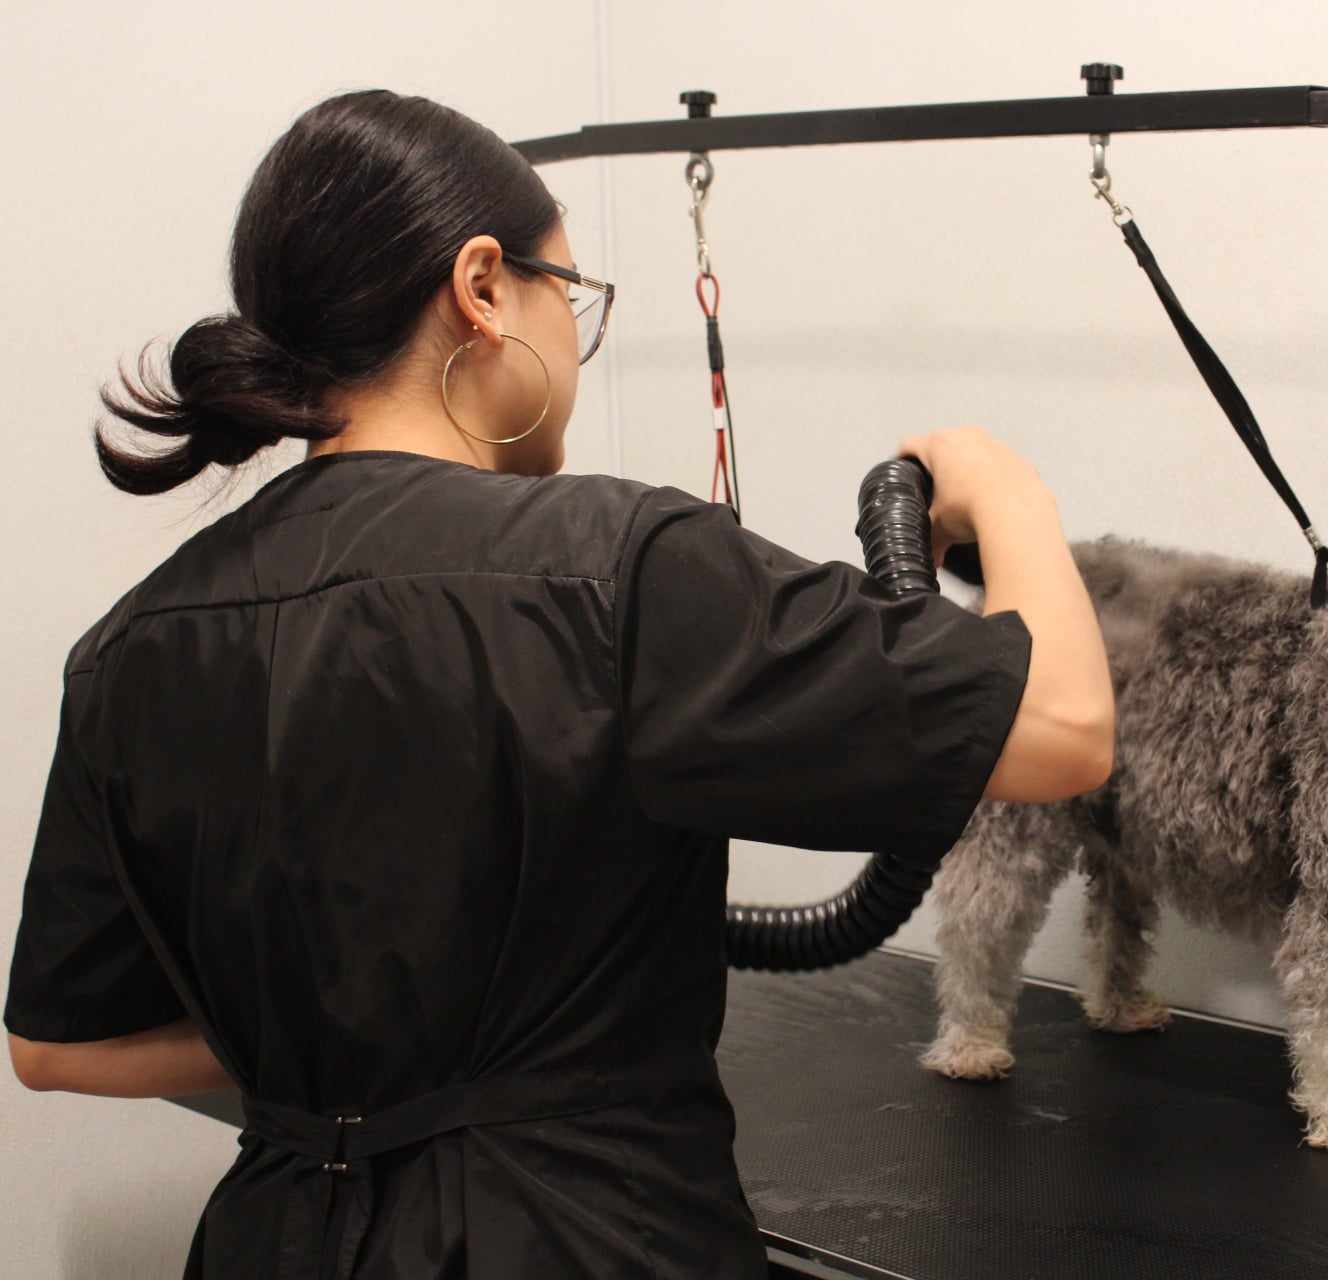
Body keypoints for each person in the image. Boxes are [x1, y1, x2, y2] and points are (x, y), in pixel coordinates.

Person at [4, 89, 1113, 1278]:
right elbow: (1061, 726)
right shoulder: (613, 564)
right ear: (483, 288)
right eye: (566, 294)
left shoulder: (136, 643)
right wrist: (1008, 495)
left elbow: (59, 1044)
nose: (572, 339)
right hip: (586, 1237)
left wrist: (341, 1047)